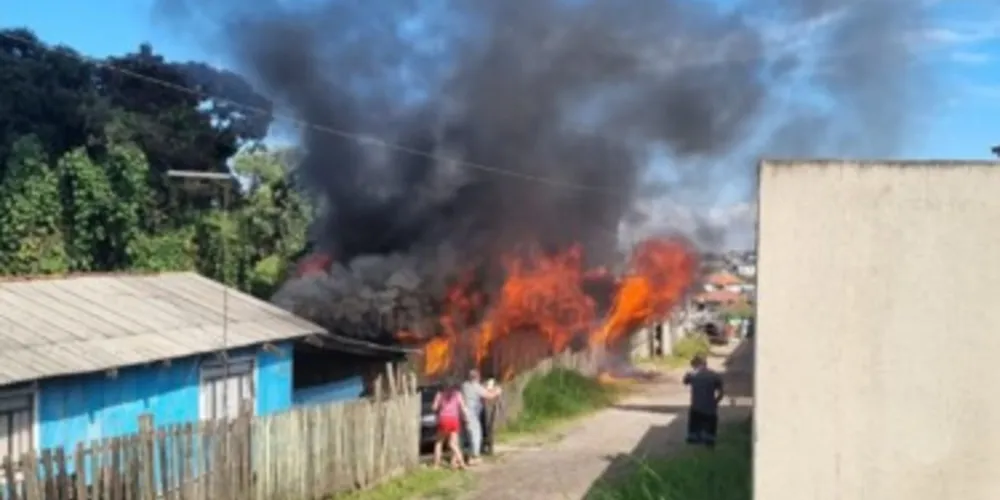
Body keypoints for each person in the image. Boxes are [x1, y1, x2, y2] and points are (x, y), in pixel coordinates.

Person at [460, 369, 502, 465]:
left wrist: (489, 388)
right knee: (475, 434)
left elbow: (483, 390)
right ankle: (474, 456)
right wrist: (497, 391)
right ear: (477, 377)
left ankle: (466, 454)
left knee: (466, 435)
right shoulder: (475, 387)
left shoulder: (465, 385)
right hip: (472, 414)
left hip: (463, 414)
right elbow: (489, 395)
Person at [682, 354, 724, 447]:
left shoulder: (693, 375)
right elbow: (721, 392)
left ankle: (694, 437)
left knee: (694, 417)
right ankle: (710, 439)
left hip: (696, 407)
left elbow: (685, 381)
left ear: (696, 365)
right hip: (710, 407)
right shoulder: (715, 375)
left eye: (693, 366)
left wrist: (689, 374)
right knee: (711, 422)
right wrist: (715, 402)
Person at [432, 381, 469, 469]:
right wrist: (466, 418)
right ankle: (460, 462)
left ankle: (436, 464)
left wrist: (437, 408)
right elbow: (463, 407)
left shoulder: (440, 394)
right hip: (454, 419)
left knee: (439, 442)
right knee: (453, 444)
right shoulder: (457, 394)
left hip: (443, 419)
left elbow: (434, 407)